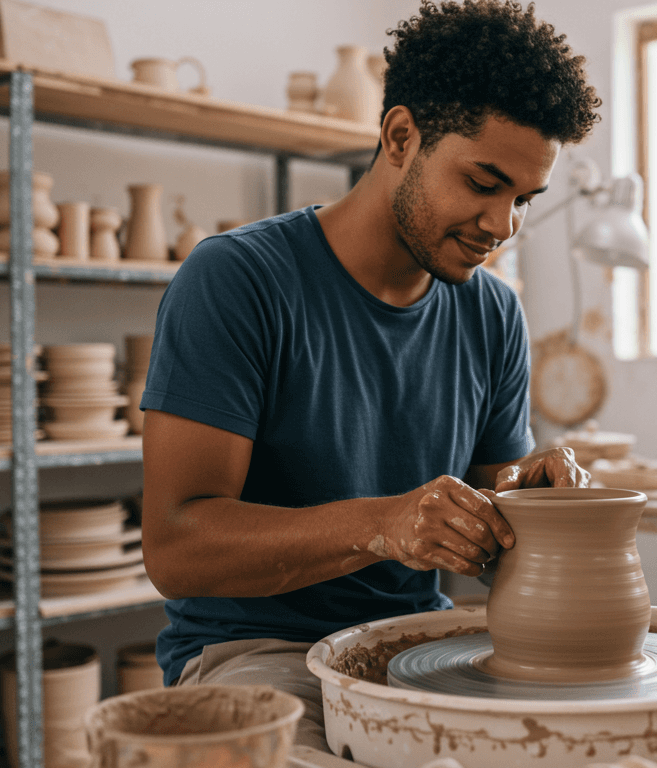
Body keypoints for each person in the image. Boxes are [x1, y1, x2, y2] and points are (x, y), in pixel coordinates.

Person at [139, 0, 602, 752]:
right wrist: (385, 525)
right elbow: (175, 546)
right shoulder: (237, 280)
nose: (502, 225)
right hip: (263, 656)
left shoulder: (494, 314)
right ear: (399, 136)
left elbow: (498, 503)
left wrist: (534, 498)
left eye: (523, 199)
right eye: (483, 182)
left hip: (419, 648)